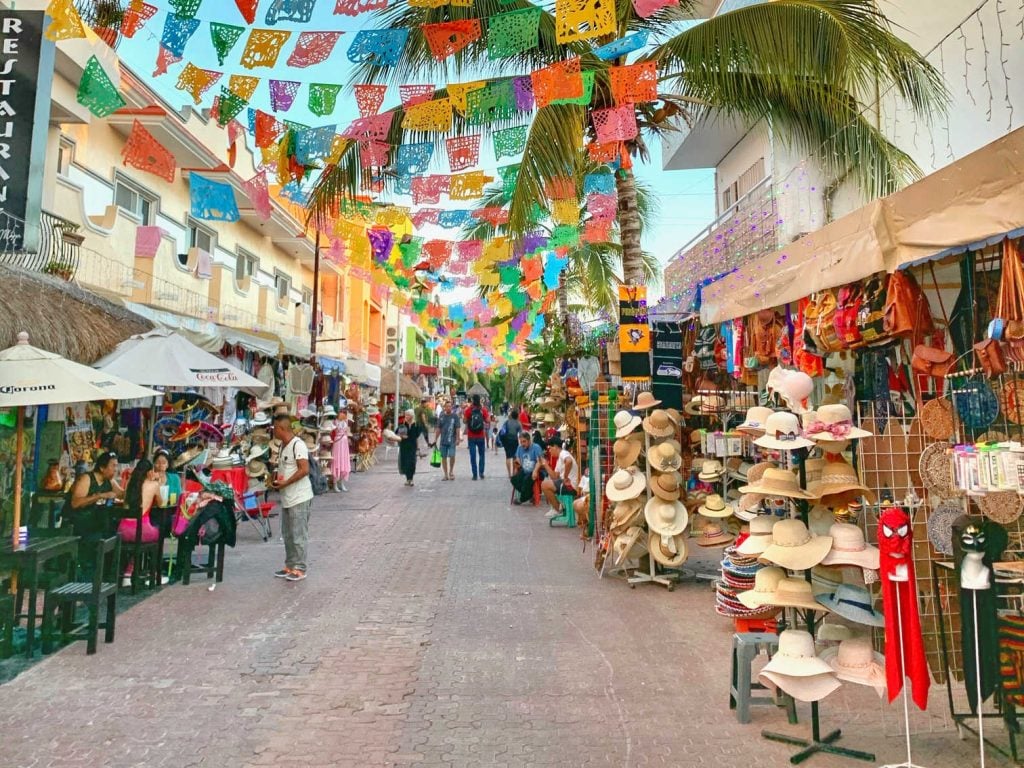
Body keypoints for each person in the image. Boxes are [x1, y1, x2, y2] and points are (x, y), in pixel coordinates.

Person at [271, 413, 314, 582]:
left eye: (275, 427)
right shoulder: (283, 445)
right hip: (287, 497)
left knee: (298, 534)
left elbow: (304, 469)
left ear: (281, 428)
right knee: (287, 533)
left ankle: (300, 568)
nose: (273, 430)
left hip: (299, 496)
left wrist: (286, 482)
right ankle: (290, 565)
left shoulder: (298, 445)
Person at [118, 459, 161, 585]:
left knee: (136, 542)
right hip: (141, 529)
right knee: (158, 531)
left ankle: (127, 573)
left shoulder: (131, 482)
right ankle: (152, 573)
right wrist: (157, 482)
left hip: (123, 529)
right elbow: (161, 502)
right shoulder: (153, 484)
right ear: (149, 472)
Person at [68, 451, 122, 540]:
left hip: (96, 523)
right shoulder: (86, 479)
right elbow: (75, 503)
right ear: (102, 468)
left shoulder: (109, 481)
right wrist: (100, 496)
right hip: (80, 523)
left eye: (116, 466)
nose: (115, 469)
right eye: (113, 466)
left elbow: (121, 494)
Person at [541, 437, 580, 518]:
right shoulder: (559, 459)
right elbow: (554, 476)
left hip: (570, 486)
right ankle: (557, 507)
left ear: (555, 446)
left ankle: (557, 509)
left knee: (544, 485)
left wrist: (565, 476)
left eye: (550, 448)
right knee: (545, 485)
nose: (549, 451)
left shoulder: (563, 453)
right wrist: (545, 464)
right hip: (565, 484)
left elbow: (569, 461)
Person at [510, 431, 543, 505]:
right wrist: (517, 465)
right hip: (524, 470)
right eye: (521, 442)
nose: (522, 444)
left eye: (524, 441)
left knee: (526, 480)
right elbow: (517, 459)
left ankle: (522, 499)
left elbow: (540, 461)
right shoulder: (519, 448)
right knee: (513, 479)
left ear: (529, 440)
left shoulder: (536, 447)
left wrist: (535, 470)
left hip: (535, 471)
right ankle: (530, 494)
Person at [464, 394, 490, 481]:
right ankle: (481, 473)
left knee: (473, 456)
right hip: (480, 436)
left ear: (472, 400)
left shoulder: (468, 410)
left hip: (471, 436)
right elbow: (488, 421)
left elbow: (464, 421)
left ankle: (474, 475)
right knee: (482, 455)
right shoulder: (483, 410)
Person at [434, 400, 461, 481]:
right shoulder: (441, 417)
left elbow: (457, 428)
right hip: (443, 441)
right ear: (444, 407)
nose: (448, 408)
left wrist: (458, 438)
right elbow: (438, 429)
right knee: (443, 457)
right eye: (447, 406)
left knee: (452, 455)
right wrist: (435, 439)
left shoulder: (455, 416)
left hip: (452, 440)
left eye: (450, 406)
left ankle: (451, 471)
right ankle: (445, 474)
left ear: (451, 407)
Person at [397, 409, 425, 486]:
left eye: (408, 415)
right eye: (406, 415)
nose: (406, 416)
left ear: (412, 416)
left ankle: (411, 479)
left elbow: (416, 437)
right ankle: (407, 479)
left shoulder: (416, 425)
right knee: (405, 462)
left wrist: (418, 448)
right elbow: (397, 433)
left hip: (412, 446)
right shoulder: (402, 424)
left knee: (412, 462)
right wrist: (402, 436)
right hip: (404, 445)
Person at [498, 409, 523, 478]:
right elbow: (521, 434)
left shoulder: (507, 422)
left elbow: (502, 430)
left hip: (506, 441)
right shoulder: (518, 423)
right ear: (517, 416)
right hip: (514, 441)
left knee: (508, 457)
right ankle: (514, 473)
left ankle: (509, 474)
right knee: (515, 457)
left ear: (511, 416)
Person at [331, 407, 351, 492]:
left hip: (344, 442)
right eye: (341, 412)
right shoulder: (335, 422)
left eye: (344, 412)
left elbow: (347, 432)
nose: (343, 413)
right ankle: (335, 483)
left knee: (343, 461)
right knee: (337, 460)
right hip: (338, 442)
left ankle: (341, 482)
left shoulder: (346, 421)